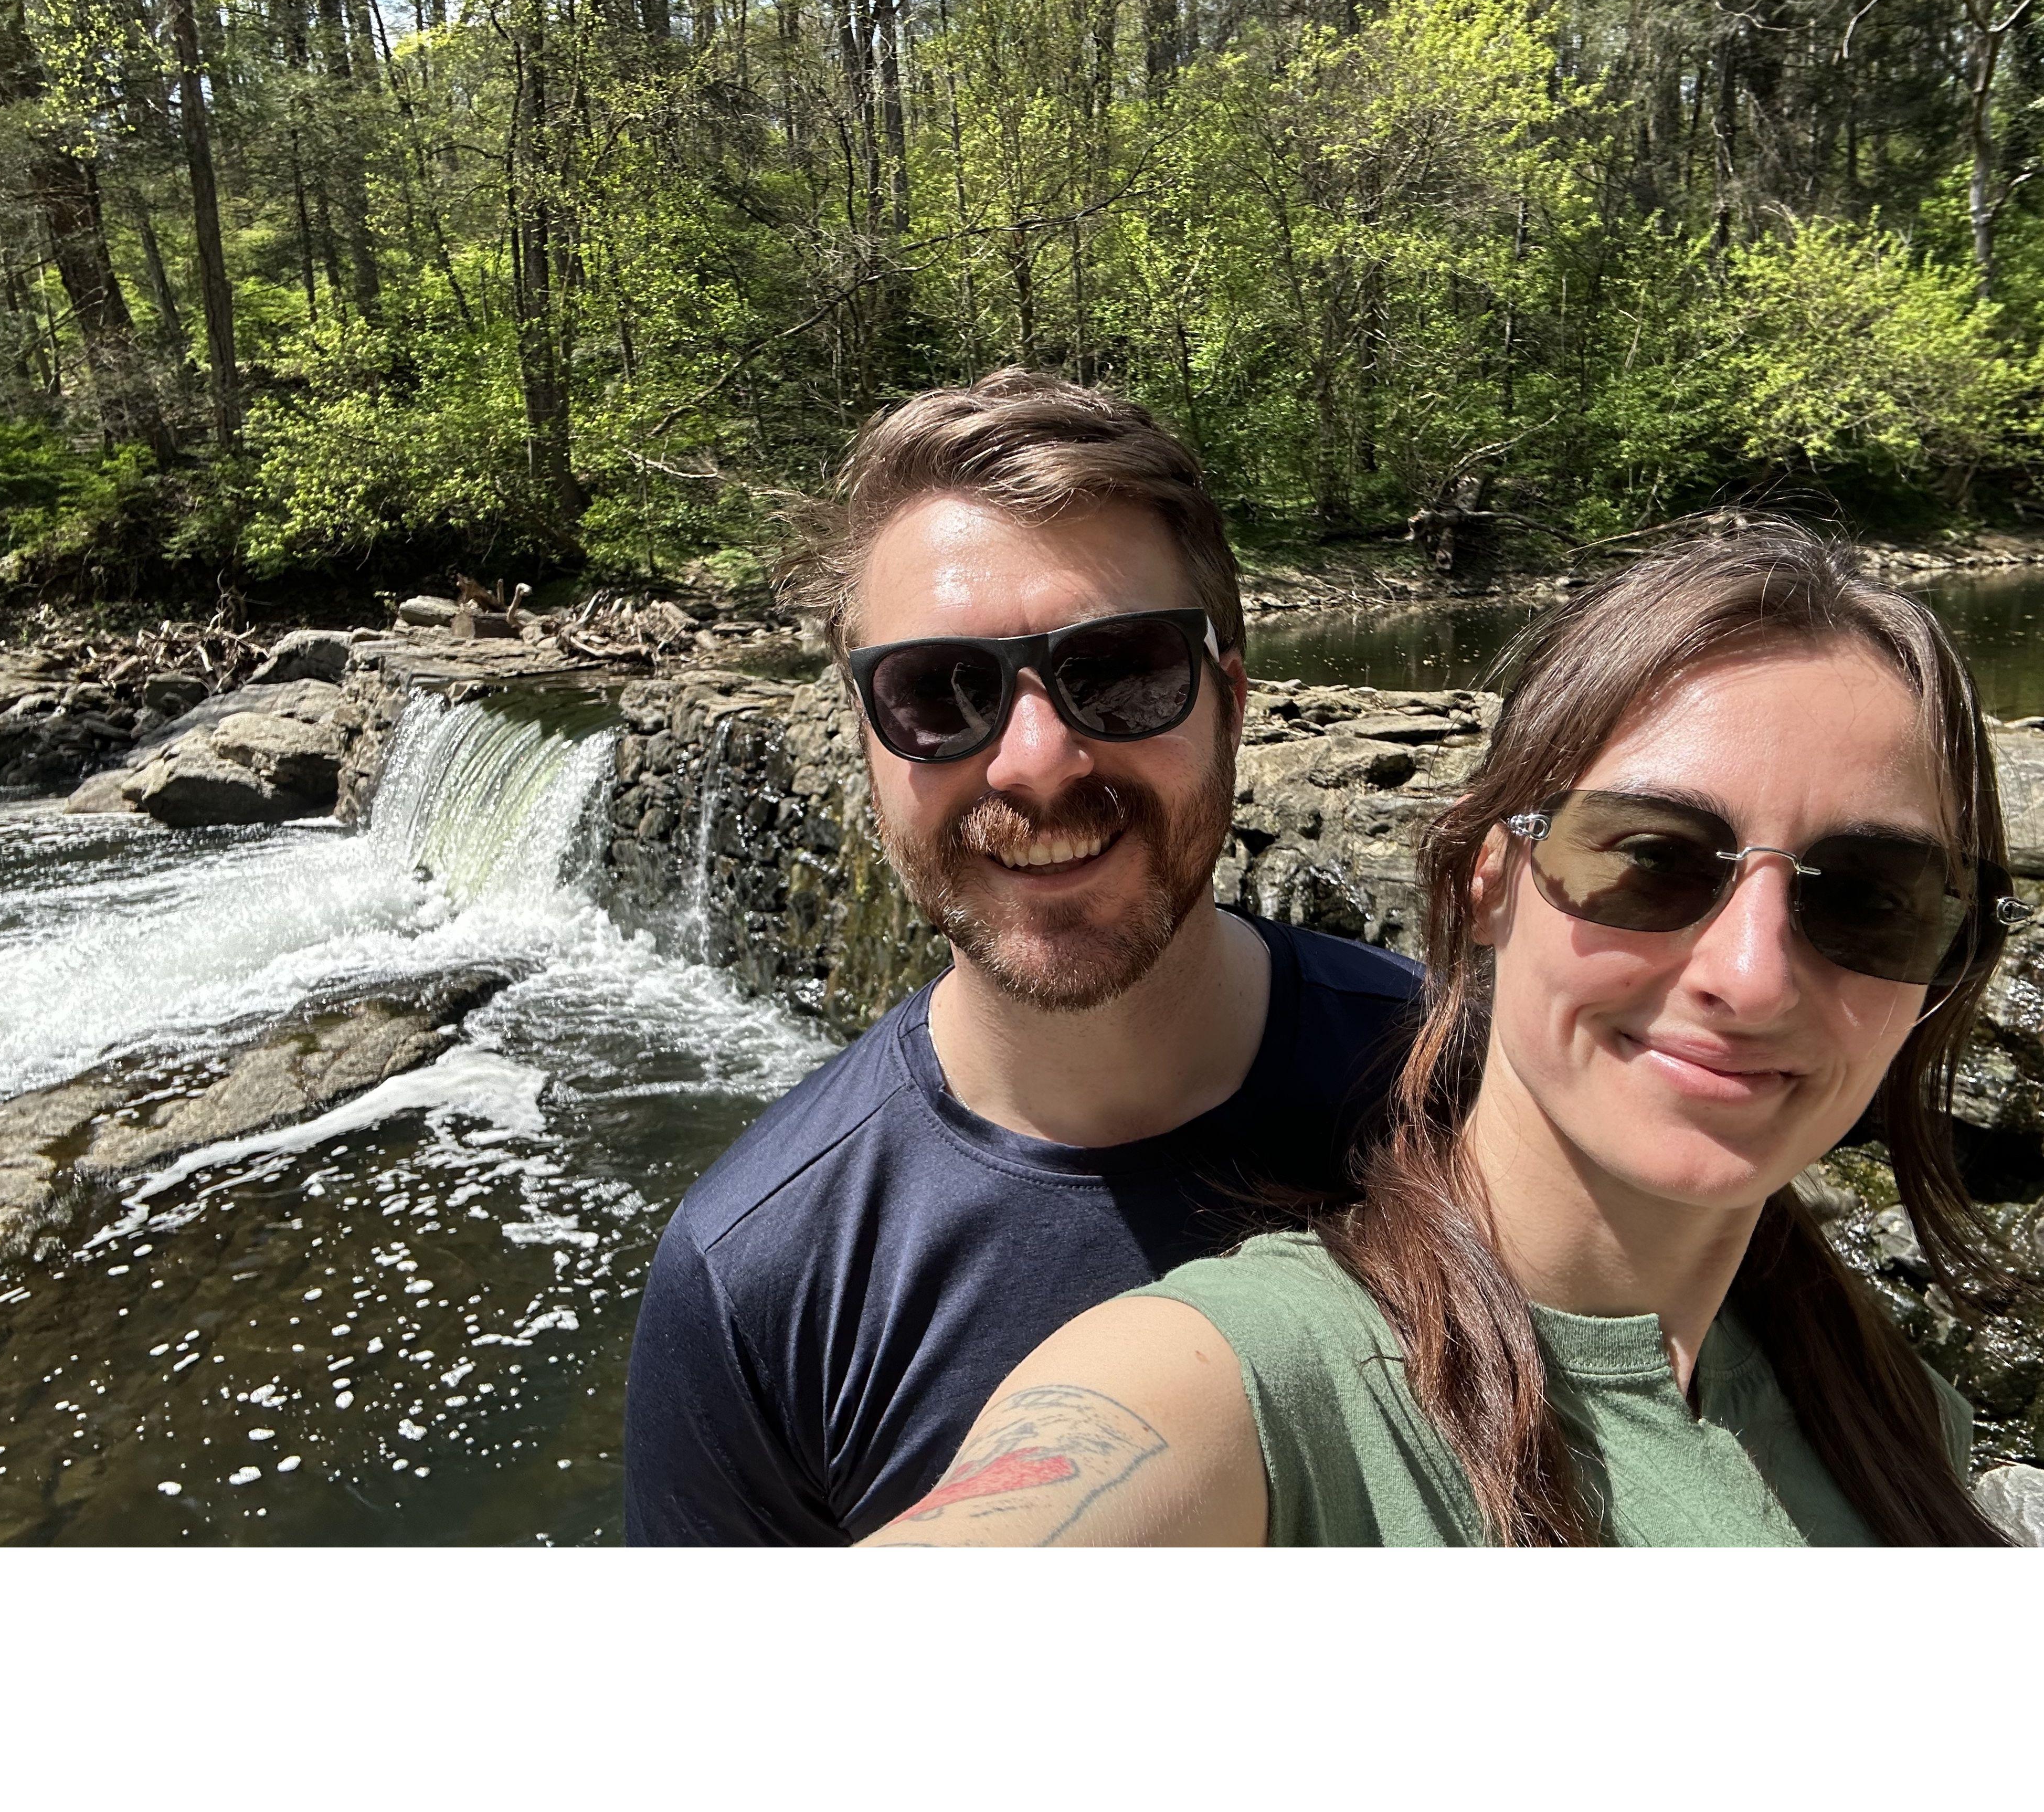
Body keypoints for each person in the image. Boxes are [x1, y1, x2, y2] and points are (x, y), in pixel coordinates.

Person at [862, 521, 2032, 1546]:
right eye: (1652, 859)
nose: (1752, 974)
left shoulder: (1893, 1407)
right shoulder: (1250, 1389)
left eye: (1869, 895)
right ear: (1489, 881)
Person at [622, 371, 1422, 1545]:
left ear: (1232, 702)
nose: (1037, 762)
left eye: (1124, 670)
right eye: (940, 693)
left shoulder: (1470, 1089)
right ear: (868, 742)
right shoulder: (756, 1281)